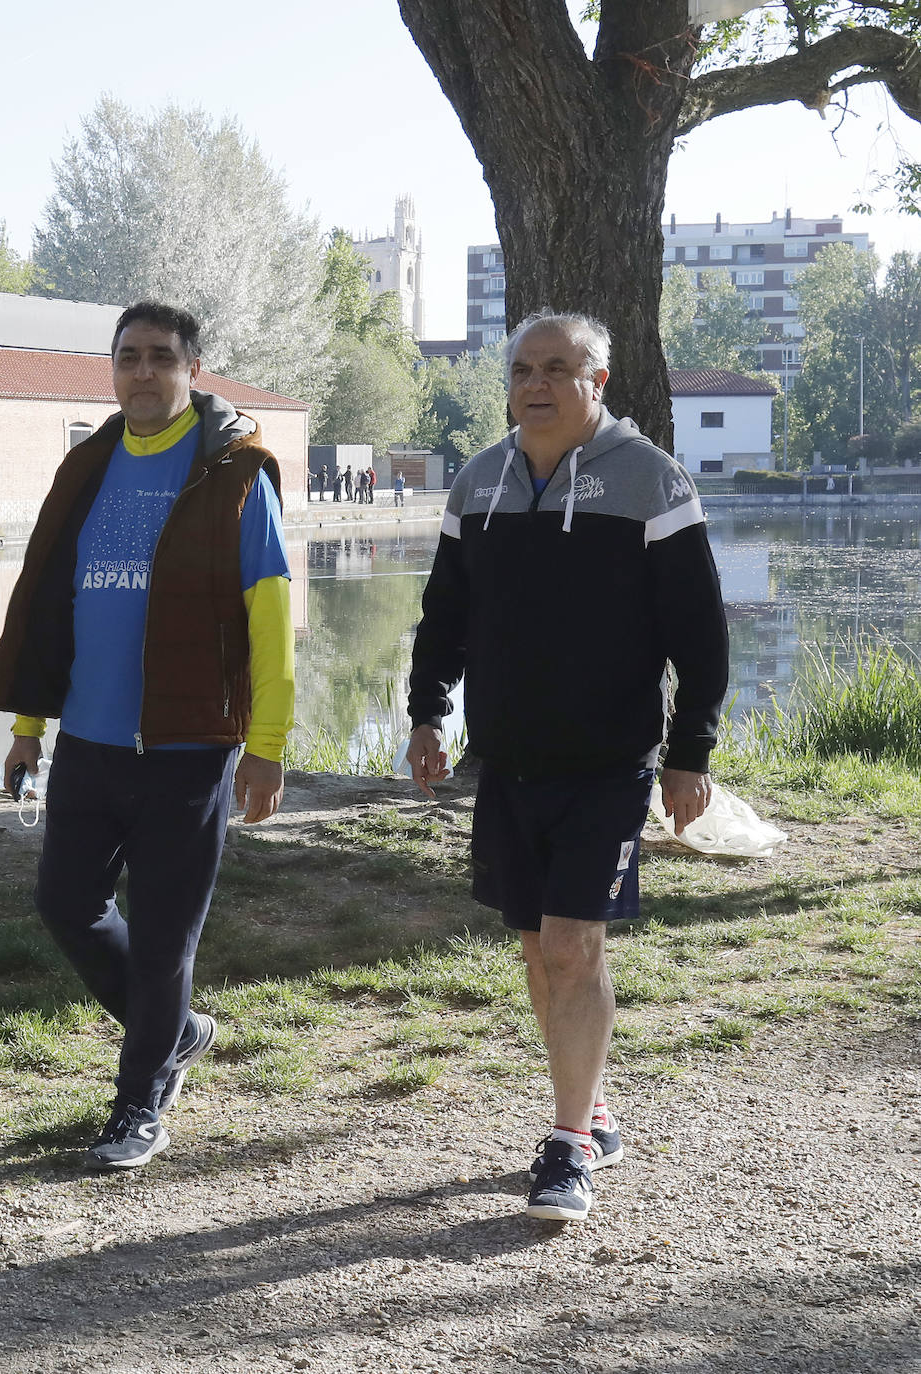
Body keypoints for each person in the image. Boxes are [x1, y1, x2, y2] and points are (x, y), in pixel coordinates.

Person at [405, 311, 728, 1223]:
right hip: (505, 758)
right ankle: (588, 1110)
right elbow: (444, 616)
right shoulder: (479, 480)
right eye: (521, 370)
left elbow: (697, 634)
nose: (535, 385)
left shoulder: (648, 480)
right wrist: (427, 711)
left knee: (569, 945)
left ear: (598, 382)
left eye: (556, 368)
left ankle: (566, 1143)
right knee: (536, 951)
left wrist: (687, 752)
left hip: (608, 761)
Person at [0, 300, 294, 1171]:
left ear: (194, 370)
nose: (144, 372)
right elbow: (49, 605)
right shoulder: (88, 465)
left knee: (163, 939)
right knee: (64, 904)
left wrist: (266, 744)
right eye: (130, 357)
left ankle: (139, 1102)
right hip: (88, 740)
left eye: (162, 357)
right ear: (112, 369)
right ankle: (178, 1031)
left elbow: (270, 619)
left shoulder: (233, 474)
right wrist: (28, 727)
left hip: (189, 748)